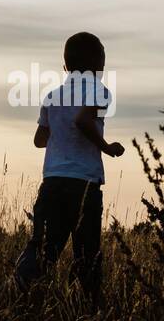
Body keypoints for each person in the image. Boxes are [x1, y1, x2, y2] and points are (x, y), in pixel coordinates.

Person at [15, 32, 123, 301]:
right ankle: (84, 311)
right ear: (98, 63)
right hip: (83, 184)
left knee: (42, 252)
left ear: (65, 66)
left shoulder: (52, 96)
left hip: (52, 182)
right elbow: (84, 120)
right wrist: (107, 147)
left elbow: (40, 140)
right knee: (87, 256)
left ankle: (21, 302)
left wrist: (61, 133)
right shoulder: (100, 91)